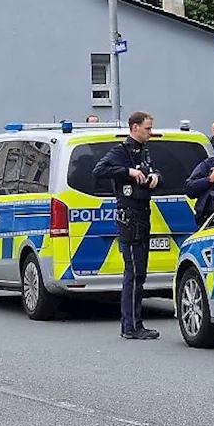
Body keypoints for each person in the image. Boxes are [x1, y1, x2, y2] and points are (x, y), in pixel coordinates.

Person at [94, 111, 162, 340]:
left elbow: (153, 170)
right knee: (133, 272)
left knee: (140, 272)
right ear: (134, 128)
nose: (150, 133)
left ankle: (135, 323)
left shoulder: (144, 152)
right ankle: (131, 326)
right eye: (147, 128)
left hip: (142, 213)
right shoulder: (120, 152)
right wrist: (128, 171)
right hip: (129, 216)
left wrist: (155, 177)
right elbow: (99, 170)